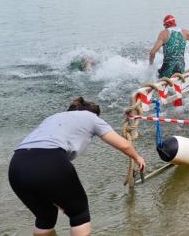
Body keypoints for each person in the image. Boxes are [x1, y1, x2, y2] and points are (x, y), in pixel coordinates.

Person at [8, 97, 145, 236]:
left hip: (16, 165)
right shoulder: (91, 117)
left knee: (45, 218)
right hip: (50, 160)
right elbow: (123, 144)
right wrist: (137, 157)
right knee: (79, 214)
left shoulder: (53, 117)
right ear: (95, 113)